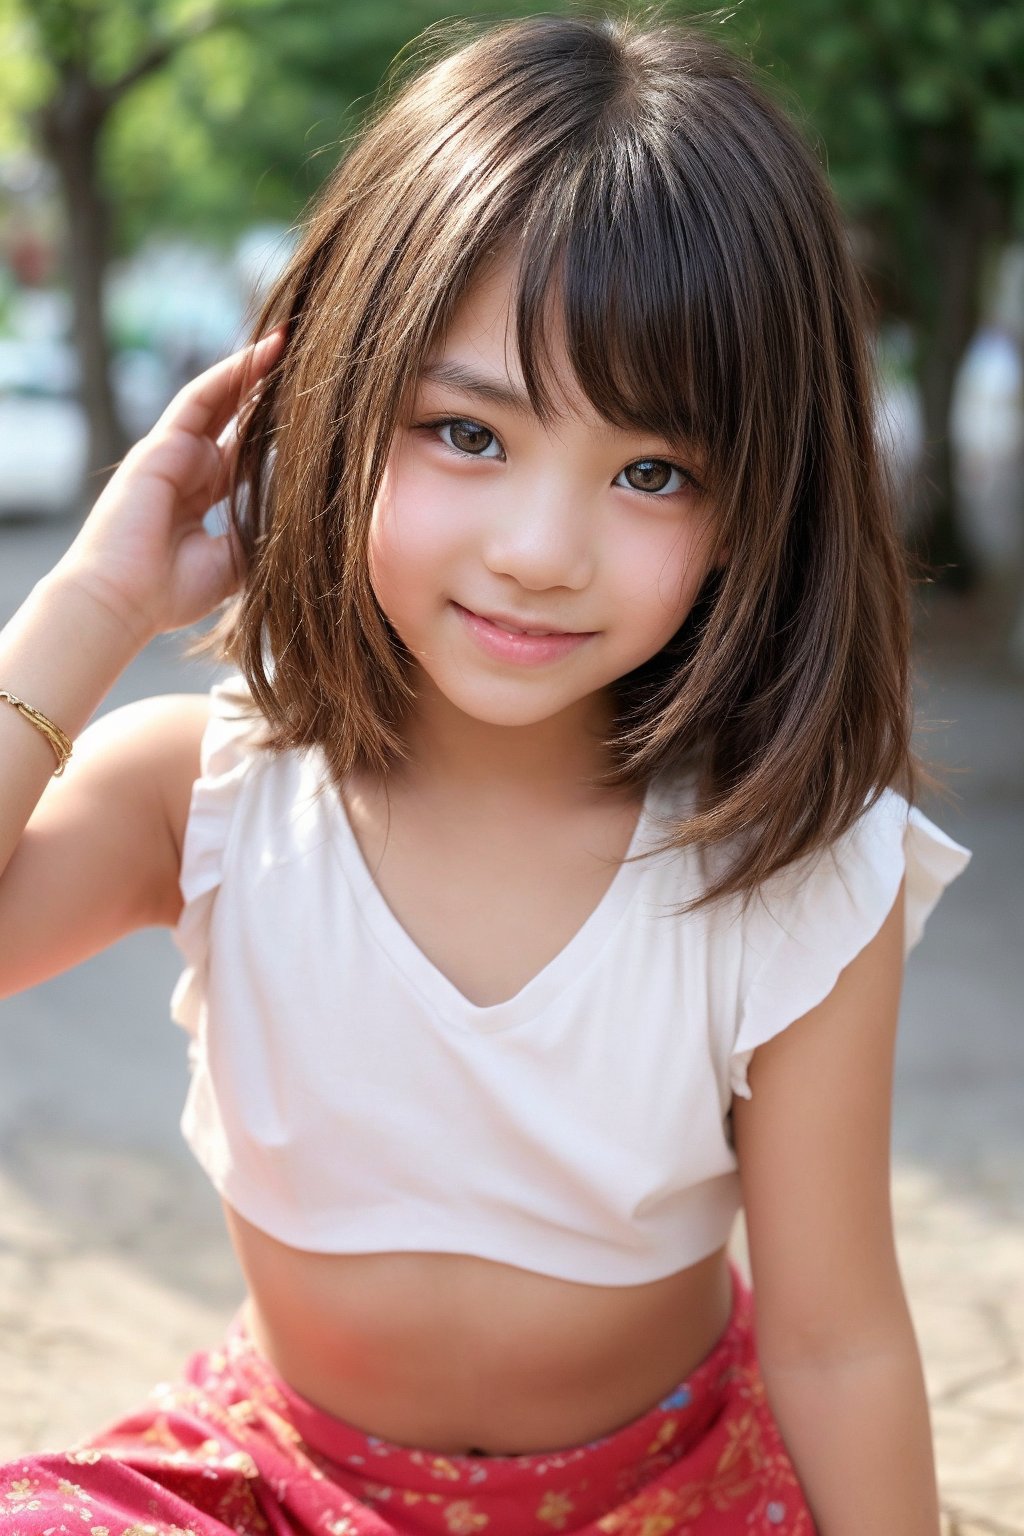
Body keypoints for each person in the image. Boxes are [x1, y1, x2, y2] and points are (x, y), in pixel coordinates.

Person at [0, 13, 970, 1535]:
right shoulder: (205, 795)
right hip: (281, 1480)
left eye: (653, 471)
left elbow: (839, 1341)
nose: (539, 550)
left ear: (757, 510)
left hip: (670, 1495)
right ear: (329, 398)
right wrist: (90, 607)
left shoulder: (784, 863)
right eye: (467, 432)